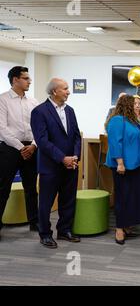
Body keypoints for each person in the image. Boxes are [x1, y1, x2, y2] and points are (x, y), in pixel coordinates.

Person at [30, 78, 81, 249]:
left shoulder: (70, 110)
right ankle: (45, 234)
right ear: (54, 92)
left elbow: (76, 136)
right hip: (50, 166)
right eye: (65, 88)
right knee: (46, 202)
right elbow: (42, 141)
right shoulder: (39, 112)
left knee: (68, 199)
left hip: (70, 165)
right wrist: (62, 158)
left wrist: (74, 157)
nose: (68, 91)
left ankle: (64, 230)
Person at [105, 95, 140, 245]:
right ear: (126, 105)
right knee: (122, 197)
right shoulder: (117, 120)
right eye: (134, 104)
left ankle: (127, 224)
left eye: (138, 103)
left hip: (137, 164)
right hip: (123, 165)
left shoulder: (132, 120)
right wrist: (120, 163)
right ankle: (119, 228)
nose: (137, 106)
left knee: (133, 196)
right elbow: (115, 142)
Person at [0, 66, 39, 240]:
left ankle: (34, 222)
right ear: (15, 80)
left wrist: (33, 145)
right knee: (3, 188)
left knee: (31, 188)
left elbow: (40, 127)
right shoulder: (3, 100)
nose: (29, 81)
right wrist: (20, 147)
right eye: (26, 78)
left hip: (31, 148)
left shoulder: (33, 102)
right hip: (9, 148)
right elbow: (2, 129)